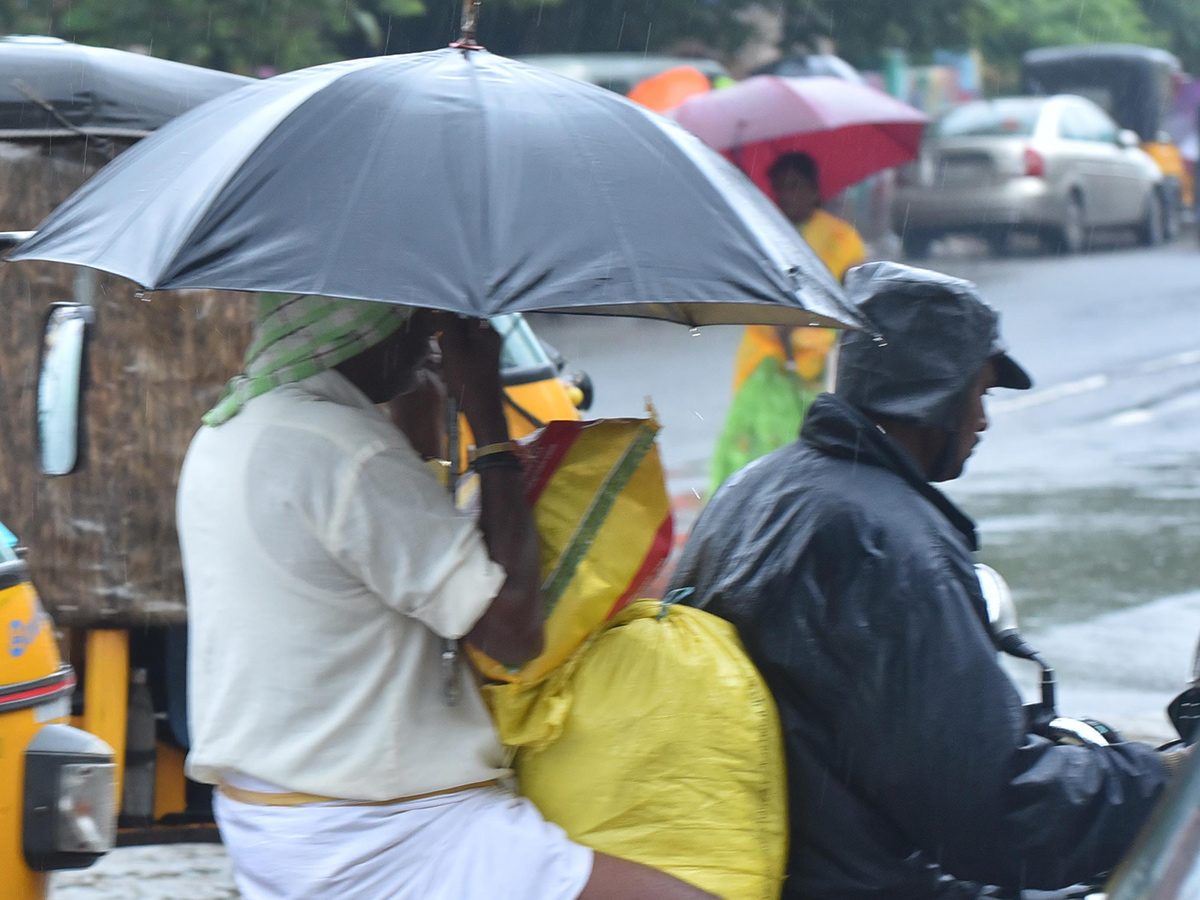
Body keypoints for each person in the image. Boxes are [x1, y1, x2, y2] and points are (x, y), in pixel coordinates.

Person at [177, 293, 716, 900]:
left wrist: (422, 415)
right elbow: (511, 632)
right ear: (361, 329)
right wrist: (487, 419)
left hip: (273, 821)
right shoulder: (346, 450)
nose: (430, 332)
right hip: (389, 831)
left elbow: (385, 550)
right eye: (411, 316)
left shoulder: (232, 429)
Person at [672, 263, 1182, 900]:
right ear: (936, 395)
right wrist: (1165, 780)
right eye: (981, 394)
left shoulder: (757, 487)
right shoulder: (889, 546)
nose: (985, 421)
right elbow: (997, 811)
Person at [711, 152, 866, 491]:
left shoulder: (840, 239)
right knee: (756, 452)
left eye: (795, 187)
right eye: (780, 188)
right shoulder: (763, 237)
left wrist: (803, 320)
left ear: (814, 190)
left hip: (817, 364)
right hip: (765, 359)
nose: (786, 196)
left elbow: (854, 297)